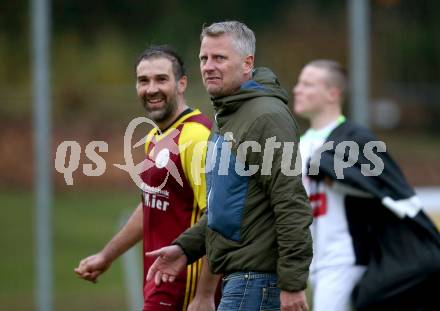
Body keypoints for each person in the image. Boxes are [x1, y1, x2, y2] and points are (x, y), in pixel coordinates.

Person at [144, 21, 313, 311]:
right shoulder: (231, 114)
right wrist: (186, 247)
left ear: (247, 63)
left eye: (219, 58)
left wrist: (292, 283)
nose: (208, 66)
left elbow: (291, 203)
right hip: (241, 280)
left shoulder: (266, 117)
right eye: (204, 58)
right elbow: (225, 210)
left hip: (256, 283)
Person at [74, 45, 220, 311]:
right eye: (143, 81)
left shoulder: (197, 137)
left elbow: (219, 217)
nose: (151, 88)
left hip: (184, 285)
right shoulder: (155, 137)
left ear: (181, 83)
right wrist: (107, 256)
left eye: (161, 79)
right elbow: (151, 206)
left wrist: (205, 294)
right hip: (159, 280)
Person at [293, 59, 440, 311]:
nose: (297, 89)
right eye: (298, 83)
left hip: (346, 259)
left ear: (332, 93)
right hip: (316, 261)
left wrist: (330, 170)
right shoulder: (299, 145)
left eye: (307, 84)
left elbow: (384, 189)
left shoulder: (355, 138)